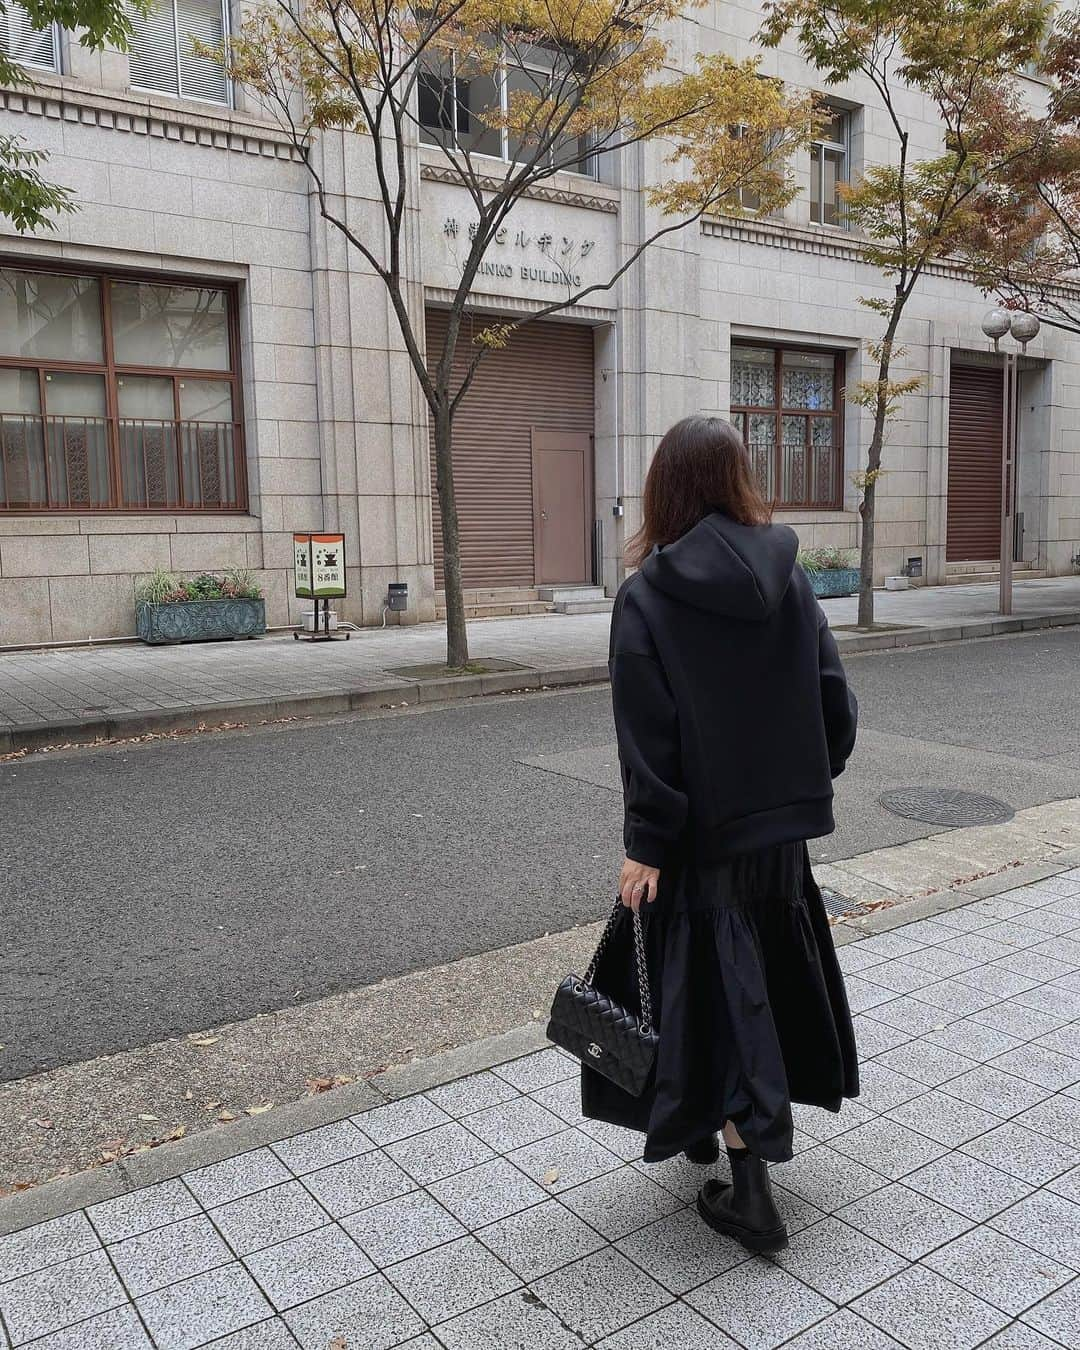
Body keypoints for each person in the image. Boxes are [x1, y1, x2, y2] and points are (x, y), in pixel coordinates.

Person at [582, 414, 859, 1255]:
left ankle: (753, 1197)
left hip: (698, 841)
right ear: (740, 480)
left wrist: (646, 841)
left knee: (709, 985)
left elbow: (649, 735)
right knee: (758, 978)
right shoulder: (791, 577)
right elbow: (834, 710)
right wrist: (795, 784)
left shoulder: (648, 595)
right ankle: (714, 1129)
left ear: (664, 488)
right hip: (776, 840)